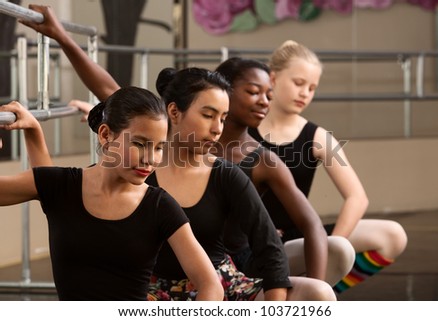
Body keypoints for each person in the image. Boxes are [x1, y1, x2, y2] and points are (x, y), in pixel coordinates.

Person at [21, 4, 337, 301]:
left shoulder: (229, 172)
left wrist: (276, 308)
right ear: (173, 112)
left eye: (222, 118)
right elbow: (58, 189)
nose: (217, 127)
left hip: (219, 282)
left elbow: (269, 246)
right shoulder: (137, 164)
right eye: (208, 115)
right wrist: (61, 37)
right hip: (151, 289)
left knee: (317, 294)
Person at [0, 89, 224, 301]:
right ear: (106, 135)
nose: (151, 159)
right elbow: (48, 181)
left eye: (158, 148)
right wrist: (34, 130)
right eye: (139, 143)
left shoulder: (160, 206)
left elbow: (211, 286)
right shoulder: (62, 187)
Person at [248, 40, 408, 293]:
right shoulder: (243, 126)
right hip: (251, 242)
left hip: (299, 238)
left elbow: (357, 197)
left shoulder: (319, 137)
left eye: (312, 88)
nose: (305, 93)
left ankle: (325, 290)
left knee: (392, 235)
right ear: (273, 78)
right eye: (298, 83)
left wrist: (332, 247)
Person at [214, 57, 355, 286]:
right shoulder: (187, 145)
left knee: (339, 249)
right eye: (253, 92)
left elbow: (312, 225)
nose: (264, 102)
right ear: (223, 91)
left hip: (244, 265)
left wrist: (315, 289)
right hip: (187, 264)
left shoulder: (265, 160)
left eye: (269, 96)